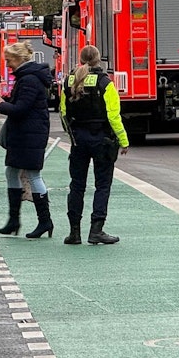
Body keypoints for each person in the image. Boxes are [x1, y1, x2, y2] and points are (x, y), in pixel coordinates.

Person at [60, 45, 130, 245]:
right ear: (99, 60)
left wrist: (72, 135)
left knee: (77, 185)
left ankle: (74, 232)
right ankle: (96, 230)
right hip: (102, 140)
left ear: (81, 59)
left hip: (78, 140)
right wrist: (123, 141)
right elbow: (113, 116)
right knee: (102, 185)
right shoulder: (105, 83)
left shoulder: (69, 81)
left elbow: (63, 113)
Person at [0, 41, 55, 239]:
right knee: (12, 172)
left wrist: (1, 105)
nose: (8, 64)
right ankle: (14, 220)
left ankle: (43, 221)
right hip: (25, 134)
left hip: (29, 135)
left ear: (20, 59)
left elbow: (21, 109)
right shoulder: (28, 78)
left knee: (33, 175)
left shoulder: (28, 80)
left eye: (9, 60)